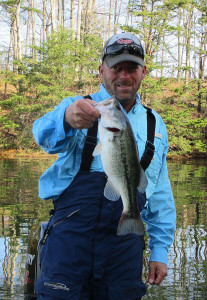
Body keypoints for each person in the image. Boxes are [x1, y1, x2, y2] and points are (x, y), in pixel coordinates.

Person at [33, 32, 176, 300]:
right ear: (102, 70)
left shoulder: (155, 125)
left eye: (131, 68)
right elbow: (42, 136)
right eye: (116, 67)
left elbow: (159, 193)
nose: (124, 75)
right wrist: (65, 119)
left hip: (124, 249)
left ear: (143, 71)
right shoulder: (78, 106)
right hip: (70, 243)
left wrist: (159, 251)